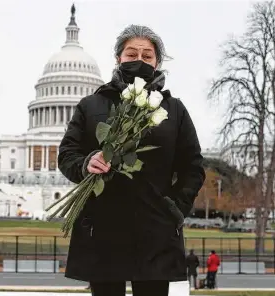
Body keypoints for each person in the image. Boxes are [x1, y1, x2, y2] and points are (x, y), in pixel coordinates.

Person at [58, 24, 206, 296]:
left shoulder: (174, 110)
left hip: (154, 229)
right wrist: (86, 163)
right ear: (118, 59)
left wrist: (174, 209)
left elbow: (193, 167)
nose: (139, 61)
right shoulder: (91, 106)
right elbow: (67, 154)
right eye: (131, 54)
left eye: (147, 56)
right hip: (103, 229)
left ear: (157, 62)